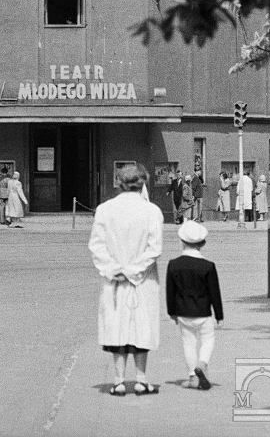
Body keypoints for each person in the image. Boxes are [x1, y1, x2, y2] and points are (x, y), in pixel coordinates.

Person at [88, 164, 163, 396]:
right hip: (143, 280)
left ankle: (119, 381)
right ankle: (141, 380)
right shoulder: (152, 211)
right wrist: (134, 271)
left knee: (116, 326)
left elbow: (97, 245)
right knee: (142, 327)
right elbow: (154, 249)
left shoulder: (104, 209)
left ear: (118, 182)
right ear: (143, 183)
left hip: (115, 281)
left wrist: (114, 270)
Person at [166, 220, 223, 391]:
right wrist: (219, 315)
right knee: (208, 340)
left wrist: (172, 312)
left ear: (181, 241)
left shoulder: (174, 264)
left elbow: (170, 291)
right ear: (202, 243)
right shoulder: (208, 266)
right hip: (203, 312)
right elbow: (215, 293)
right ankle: (202, 363)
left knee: (188, 343)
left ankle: (192, 376)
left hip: (183, 311)